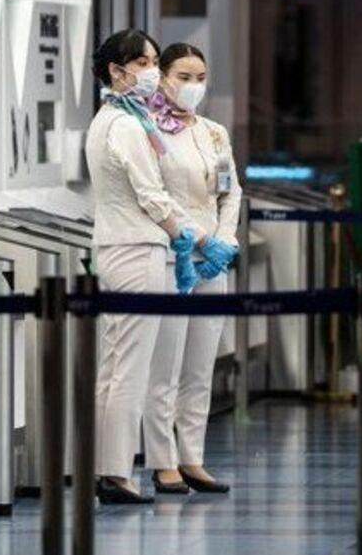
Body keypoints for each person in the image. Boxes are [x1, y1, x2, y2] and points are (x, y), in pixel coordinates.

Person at [85, 29, 205, 504]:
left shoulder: (116, 119)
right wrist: (185, 235)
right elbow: (151, 195)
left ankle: (107, 467)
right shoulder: (126, 125)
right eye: (143, 63)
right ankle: (115, 473)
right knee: (129, 368)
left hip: (121, 246)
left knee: (116, 364)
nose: (152, 71)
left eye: (154, 61)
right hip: (136, 249)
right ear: (117, 71)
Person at [142, 42, 241, 495]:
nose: (193, 86)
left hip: (213, 258)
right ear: (163, 77)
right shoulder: (147, 129)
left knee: (200, 365)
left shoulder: (214, 132)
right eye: (183, 77)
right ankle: (163, 462)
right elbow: (156, 196)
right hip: (171, 253)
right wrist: (197, 238)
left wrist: (225, 239)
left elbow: (230, 191)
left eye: (200, 78)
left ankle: (192, 457)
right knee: (165, 366)